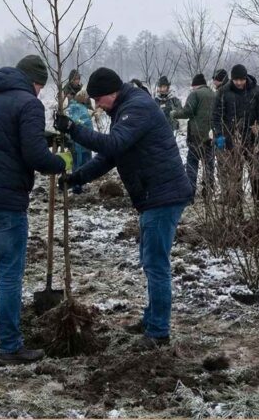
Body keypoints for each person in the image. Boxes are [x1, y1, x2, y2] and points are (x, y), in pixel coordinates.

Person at [55, 67, 193, 350]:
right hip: (152, 195)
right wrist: (77, 177)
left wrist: (73, 129)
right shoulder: (125, 109)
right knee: (150, 260)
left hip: (162, 195)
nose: (97, 107)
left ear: (111, 93)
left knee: (156, 265)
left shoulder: (137, 107)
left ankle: (158, 333)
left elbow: (113, 143)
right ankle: (152, 319)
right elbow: (110, 156)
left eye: (98, 100)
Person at [0, 55, 70, 365]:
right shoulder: (28, 104)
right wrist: (61, 163)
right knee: (8, 274)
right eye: (40, 88)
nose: (39, 94)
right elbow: (33, 154)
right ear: (35, 83)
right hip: (4, 201)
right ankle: (10, 347)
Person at [212, 63, 259, 213]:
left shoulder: (256, 91)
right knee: (235, 176)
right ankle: (237, 211)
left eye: (241, 80)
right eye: (236, 80)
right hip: (231, 140)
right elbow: (216, 116)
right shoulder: (223, 92)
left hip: (252, 139)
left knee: (255, 174)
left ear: (245, 78)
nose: (238, 83)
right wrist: (219, 135)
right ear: (232, 79)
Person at [172, 73, 216, 194]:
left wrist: (174, 113)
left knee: (192, 163)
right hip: (210, 136)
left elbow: (188, 112)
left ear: (195, 85)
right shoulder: (214, 94)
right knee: (208, 164)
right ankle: (208, 190)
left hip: (196, 135)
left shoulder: (195, 94)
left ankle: (190, 192)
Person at [65, 89, 93, 194]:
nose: (86, 99)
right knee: (77, 163)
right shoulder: (74, 107)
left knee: (84, 163)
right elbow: (76, 122)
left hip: (85, 141)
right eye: (85, 96)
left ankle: (81, 183)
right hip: (78, 143)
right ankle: (76, 186)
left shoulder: (83, 107)